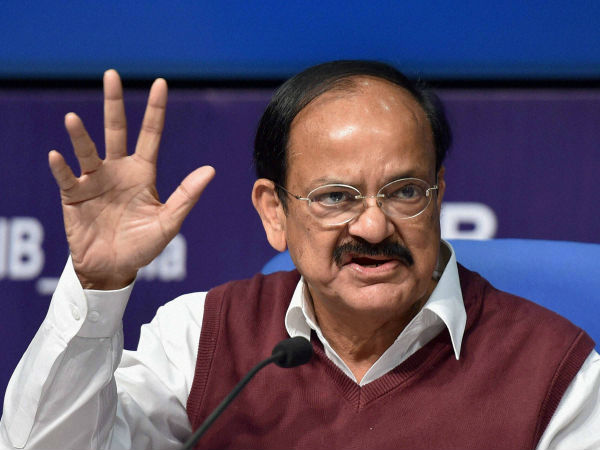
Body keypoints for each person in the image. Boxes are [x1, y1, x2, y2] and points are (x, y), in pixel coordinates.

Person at [1, 60, 599, 449]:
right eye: (335, 197)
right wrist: (99, 286)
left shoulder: (559, 374)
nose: (372, 225)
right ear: (274, 212)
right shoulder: (203, 338)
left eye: (404, 192)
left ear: (438, 194)